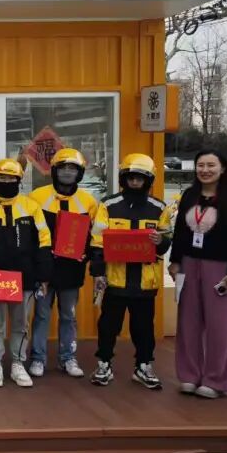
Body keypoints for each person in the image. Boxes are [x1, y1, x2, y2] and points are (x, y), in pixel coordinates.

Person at [169, 149, 227, 398]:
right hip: (189, 264)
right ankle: (189, 375)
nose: (205, 170)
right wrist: (175, 261)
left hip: (221, 268)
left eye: (211, 165)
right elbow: (180, 231)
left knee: (221, 325)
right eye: (201, 165)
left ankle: (217, 379)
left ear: (223, 168)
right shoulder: (189, 196)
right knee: (188, 322)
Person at [89, 153, 171, 390]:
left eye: (140, 178)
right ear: (123, 178)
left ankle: (143, 366)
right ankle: (104, 363)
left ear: (149, 180)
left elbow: (166, 241)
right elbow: (97, 242)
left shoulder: (159, 208)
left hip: (145, 281)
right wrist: (98, 273)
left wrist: (161, 241)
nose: (135, 182)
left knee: (144, 327)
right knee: (108, 326)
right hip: (115, 280)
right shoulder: (108, 205)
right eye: (131, 177)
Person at [0, 158, 52, 388]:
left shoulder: (31, 207)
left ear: (19, 180)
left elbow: (44, 241)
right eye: (2, 177)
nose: (6, 181)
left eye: (11, 178)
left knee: (20, 324)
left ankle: (18, 363)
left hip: (24, 276)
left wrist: (43, 275)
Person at [26, 148, 98, 379]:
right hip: (44, 269)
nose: (67, 172)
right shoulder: (37, 196)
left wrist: (86, 254)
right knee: (41, 315)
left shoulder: (88, 202)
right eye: (63, 167)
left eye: (72, 168)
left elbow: (94, 236)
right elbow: (30, 234)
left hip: (72, 269)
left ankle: (68, 357)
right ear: (55, 170)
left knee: (69, 315)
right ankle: (37, 358)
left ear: (80, 173)